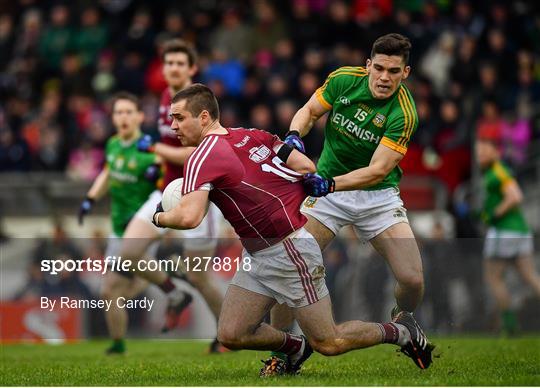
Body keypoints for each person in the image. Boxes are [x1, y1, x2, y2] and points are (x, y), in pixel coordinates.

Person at [153, 83, 433, 376]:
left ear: (204, 117)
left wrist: (160, 217)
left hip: (288, 250)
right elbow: (304, 165)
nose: (173, 126)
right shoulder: (249, 135)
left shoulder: (201, 156)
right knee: (231, 333)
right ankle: (295, 348)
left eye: (179, 118)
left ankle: (401, 331)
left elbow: (190, 217)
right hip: (259, 253)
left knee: (330, 341)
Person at [262, 33, 431, 374]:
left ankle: (404, 317)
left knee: (412, 279)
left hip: (376, 196)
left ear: (405, 73)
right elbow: (309, 111)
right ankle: (283, 354)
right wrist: (295, 135)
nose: (385, 77)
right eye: (379, 68)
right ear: (368, 65)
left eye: (393, 71)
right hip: (327, 195)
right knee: (288, 267)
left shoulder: (404, 113)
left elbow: (378, 170)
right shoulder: (343, 80)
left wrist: (331, 183)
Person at [118, 39, 227, 353]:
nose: (174, 68)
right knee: (129, 253)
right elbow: (169, 150)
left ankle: (229, 336)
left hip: (197, 192)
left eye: (180, 63)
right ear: (162, 68)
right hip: (166, 190)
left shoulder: (200, 103)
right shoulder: (166, 97)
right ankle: (174, 292)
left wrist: (153, 148)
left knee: (200, 277)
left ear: (191, 68)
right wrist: (156, 164)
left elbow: (197, 153)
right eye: (169, 63)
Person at [78, 92, 165, 354]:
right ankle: (118, 343)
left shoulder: (151, 150)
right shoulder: (113, 144)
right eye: (119, 112)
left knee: (112, 290)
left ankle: (158, 281)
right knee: (112, 292)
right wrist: (90, 198)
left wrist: (157, 176)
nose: (123, 117)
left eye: (129, 112)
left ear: (140, 116)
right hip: (117, 229)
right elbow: (107, 172)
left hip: (141, 230)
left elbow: (168, 187)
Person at [476, 136, 540, 335]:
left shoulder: (497, 172)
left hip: (505, 231)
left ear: (496, 152)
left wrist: (494, 214)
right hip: (520, 229)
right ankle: (508, 324)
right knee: (530, 276)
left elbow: (516, 196)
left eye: (485, 151)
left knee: (493, 277)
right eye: (479, 152)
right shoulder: (493, 171)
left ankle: (510, 326)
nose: (481, 156)